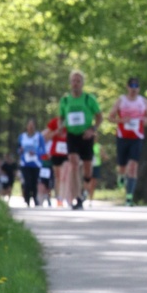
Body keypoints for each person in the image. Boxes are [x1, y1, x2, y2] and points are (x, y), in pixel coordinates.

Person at [59, 70, 102, 210]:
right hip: (72, 135)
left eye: (78, 81)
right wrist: (60, 127)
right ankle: (76, 197)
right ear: (70, 83)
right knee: (74, 163)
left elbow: (99, 116)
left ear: (82, 83)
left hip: (86, 136)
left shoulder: (89, 99)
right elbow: (61, 117)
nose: (75, 83)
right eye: (73, 81)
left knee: (88, 169)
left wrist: (92, 130)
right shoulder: (65, 100)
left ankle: (84, 190)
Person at [108, 77, 147, 205]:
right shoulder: (121, 100)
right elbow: (110, 117)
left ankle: (129, 197)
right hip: (122, 136)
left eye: (136, 86)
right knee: (122, 166)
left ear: (139, 88)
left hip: (137, 137)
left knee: (133, 166)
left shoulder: (144, 101)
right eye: (131, 86)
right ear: (127, 87)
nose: (134, 89)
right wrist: (121, 120)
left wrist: (146, 120)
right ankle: (121, 176)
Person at [18, 119, 46, 207]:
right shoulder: (22, 136)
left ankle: (34, 198)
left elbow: (43, 150)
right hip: (25, 163)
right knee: (27, 182)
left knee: (34, 182)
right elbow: (18, 149)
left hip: (36, 164)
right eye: (29, 125)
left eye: (32, 125)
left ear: (35, 126)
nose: (31, 127)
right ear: (27, 126)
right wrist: (20, 151)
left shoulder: (39, 136)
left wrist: (36, 153)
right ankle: (27, 199)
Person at [42, 115, 69, 207]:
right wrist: (56, 132)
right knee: (58, 177)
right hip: (56, 153)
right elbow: (45, 137)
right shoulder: (54, 122)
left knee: (64, 176)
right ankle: (58, 198)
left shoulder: (70, 120)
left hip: (67, 153)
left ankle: (64, 197)